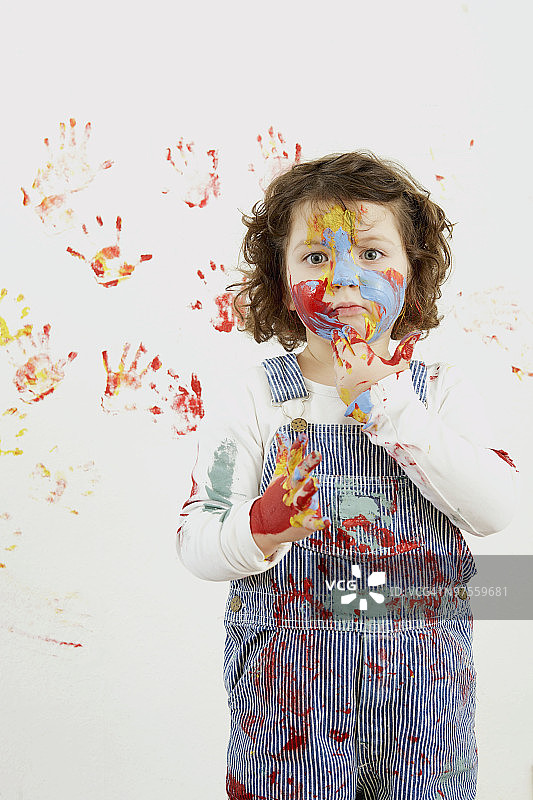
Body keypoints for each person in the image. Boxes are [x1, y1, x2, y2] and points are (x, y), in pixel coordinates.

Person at [176, 151, 519, 800]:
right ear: (280, 285)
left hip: (423, 704)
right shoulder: (255, 398)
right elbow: (197, 542)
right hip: (288, 702)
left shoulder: (440, 394)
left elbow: (494, 511)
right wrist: (261, 525)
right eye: (313, 257)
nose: (342, 277)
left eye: (367, 253)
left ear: (411, 281)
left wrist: (389, 406)